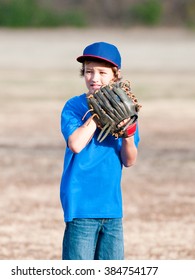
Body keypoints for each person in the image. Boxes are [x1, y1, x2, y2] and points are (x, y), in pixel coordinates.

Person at [59, 42, 140, 260]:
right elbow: (76, 144)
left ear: (116, 75)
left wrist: (129, 134)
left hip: (111, 207)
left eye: (102, 72)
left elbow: (129, 160)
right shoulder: (74, 107)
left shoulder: (125, 109)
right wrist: (98, 113)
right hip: (81, 205)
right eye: (88, 71)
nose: (94, 78)